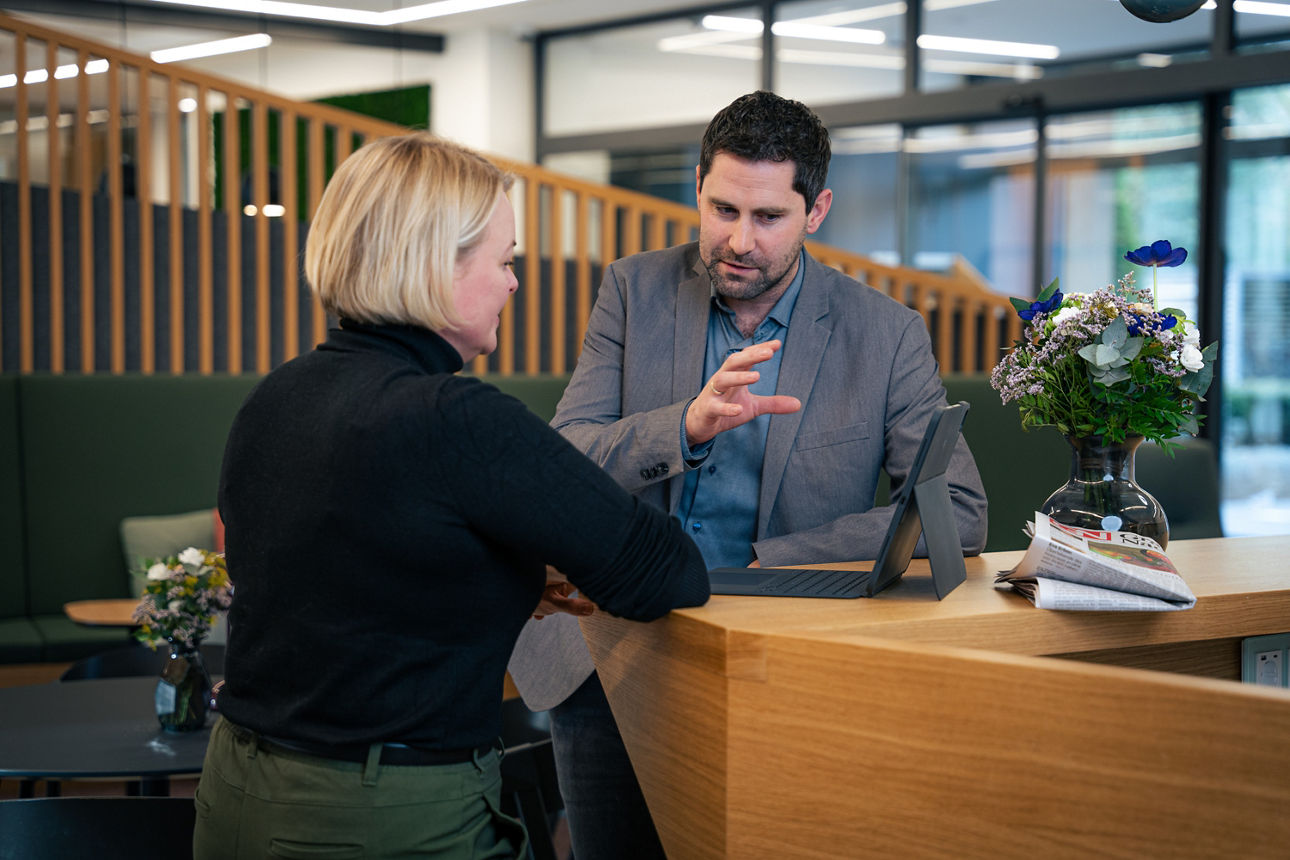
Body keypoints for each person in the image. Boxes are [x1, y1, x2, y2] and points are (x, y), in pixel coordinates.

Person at [192, 133, 710, 860]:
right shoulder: (459, 419)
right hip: (385, 818)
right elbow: (665, 571)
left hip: (235, 795)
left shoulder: (273, 399)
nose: (513, 283)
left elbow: (361, 578)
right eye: (503, 260)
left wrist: (506, 573)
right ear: (436, 264)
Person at [507, 91, 988, 858]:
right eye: (721, 208)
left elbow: (955, 509)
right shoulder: (634, 291)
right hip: (609, 654)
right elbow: (568, 455)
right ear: (696, 185)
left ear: (817, 209)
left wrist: (772, 564)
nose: (738, 239)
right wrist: (684, 426)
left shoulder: (886, 333)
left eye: (768, 218)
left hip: (781, 652)